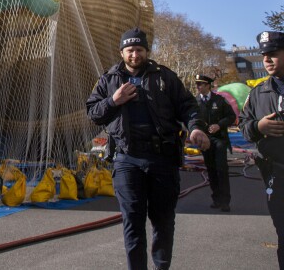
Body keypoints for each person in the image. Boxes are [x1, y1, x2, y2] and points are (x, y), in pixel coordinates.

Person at [86, 28, 210, 270]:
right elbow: (93, 113)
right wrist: (114, 100)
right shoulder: (108, 80)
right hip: (126, 159)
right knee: (132, 221)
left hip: (161, 158)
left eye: (139, 50)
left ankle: (161, 266)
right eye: (129, 50)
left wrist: (195, 127)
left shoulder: (165, 77)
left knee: (163, 221)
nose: (134, 55)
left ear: (146, 51)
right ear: (122, 52)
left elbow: (188, 106)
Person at [240, 30, 284, 269]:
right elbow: (244, 127)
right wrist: (259, 125)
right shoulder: (258, 93)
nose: (267, 60)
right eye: (264, 55)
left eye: (273, 54)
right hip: (276, 173)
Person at [194, 74, 235, 211]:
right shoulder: (195, 102)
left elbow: (231, 116)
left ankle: (225, 201)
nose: (198, 87)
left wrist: (219, 125)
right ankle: (216, 199)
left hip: (220, 139)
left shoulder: (220, 100)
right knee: (211, 170)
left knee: (221, 170)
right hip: (205, 140)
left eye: (201, 84)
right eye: (197, 84)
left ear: (208, 85)